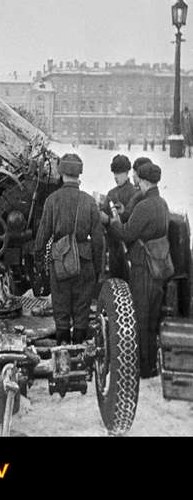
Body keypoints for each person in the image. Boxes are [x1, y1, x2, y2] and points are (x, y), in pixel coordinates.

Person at [34, 153, 104, 345]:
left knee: (61, 312)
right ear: (79, 174)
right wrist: (97, 269)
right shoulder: (89, 201)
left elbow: (42, 237)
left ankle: (62, 355)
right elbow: (98, 240)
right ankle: (81, 355)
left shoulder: (52, 200)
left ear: (62, 173)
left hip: (60, 262)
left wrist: (40, 263)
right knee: (82, 313)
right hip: (85, 262)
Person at [109, 161, 170, 378]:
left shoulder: (144, 207)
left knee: (141, 319)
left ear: (143, 181)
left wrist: (114, 222)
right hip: (159, 266)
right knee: (152, 318)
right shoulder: (162, 204)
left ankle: (143, 368)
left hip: (143, 268)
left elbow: (126, 234)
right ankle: (152, 364)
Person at [99, 154, 134, 280]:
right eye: (114, 173)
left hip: (128, 247)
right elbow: (103, 212)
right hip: (113, 245)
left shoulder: (134, 193)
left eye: (118, 173)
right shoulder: (111, 193)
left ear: (127, 172)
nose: (115, 177)